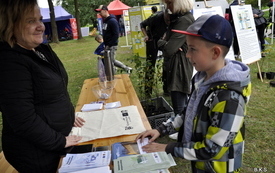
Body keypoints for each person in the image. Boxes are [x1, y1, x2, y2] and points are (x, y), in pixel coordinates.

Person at [136, 14, 251, 173]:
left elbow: (211, 150)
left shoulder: (229, 99)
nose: (187, 55)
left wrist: (168, 148)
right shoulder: (202, 79)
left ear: (215, 53)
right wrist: (161, 130)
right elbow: (188, 112)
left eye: (192, 49)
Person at [0, 0, 85, 172]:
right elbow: (22, 119)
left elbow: (54, 91)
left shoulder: (41, 50)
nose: (40, 26)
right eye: (30, 21)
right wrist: (60, 142)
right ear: (10, 24)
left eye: (40, 19)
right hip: (36, 153)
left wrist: (68, 114)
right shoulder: (9, 61)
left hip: (55, 140)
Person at [157, 0, 194, 115]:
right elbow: (164, 43)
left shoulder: (183, 20)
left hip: (179, 66)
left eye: (170, 3)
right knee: (181, 104)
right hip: (177, 64)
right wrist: (164, 42)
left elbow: (168, 49)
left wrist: (164, 42)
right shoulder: (179, 19)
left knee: (179, 107)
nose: (168, 7)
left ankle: (181, 131)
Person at [94, 5, 132, 74]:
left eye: (100, 12)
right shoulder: (106, 21)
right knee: (111, 60)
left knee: (109, 62)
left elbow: (116, 35)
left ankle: (112, 76)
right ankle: (127, 68)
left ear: (105, 11)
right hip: (107, 44)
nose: (99, 14)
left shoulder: (112, 21)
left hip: (112, 45)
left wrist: (109, 45)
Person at [140, 6, 167, 96]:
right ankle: (148, 91)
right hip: (152, 40)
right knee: (150, 65)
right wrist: (146, 36)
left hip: (163, 41)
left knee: (168, 63)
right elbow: (142, 24)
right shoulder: (154, 17)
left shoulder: (174, 18)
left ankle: (166, 89)